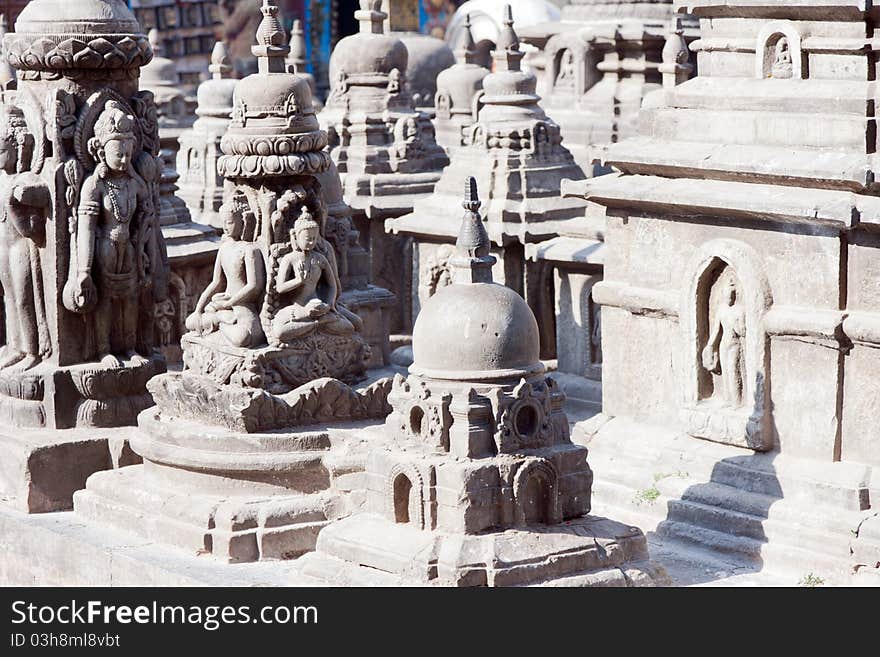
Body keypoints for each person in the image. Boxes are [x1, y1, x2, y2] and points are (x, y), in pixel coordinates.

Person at [186, 201, 266, 347]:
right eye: (223, 222)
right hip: (222, 304)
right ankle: (220, 319)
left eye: (229, 222)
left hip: (241, 305)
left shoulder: (249, 250)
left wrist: (229, 304)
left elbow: (255, 285)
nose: (225, 227)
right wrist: (198, 309)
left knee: (243, 338)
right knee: (190, 322)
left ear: (243, 222)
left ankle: (220, 321)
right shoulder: (224, 248)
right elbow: (216, 282)